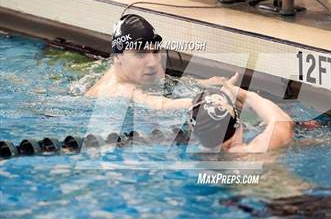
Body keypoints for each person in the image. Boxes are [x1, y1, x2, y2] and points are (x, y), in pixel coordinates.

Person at [85, 14, 229, 109]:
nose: (152, 62)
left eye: (155, 51)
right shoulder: (121, 90)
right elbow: (162, 106)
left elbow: (167, 82)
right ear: (117, 58)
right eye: (140, 54)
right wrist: (210, 101)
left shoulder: (140, 67)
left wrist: (202, 84)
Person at [188, 75, 294, 153]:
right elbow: (283, 121)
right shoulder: (255, 152)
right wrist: (244, 95)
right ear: (238, 124)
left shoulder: (198, 155)